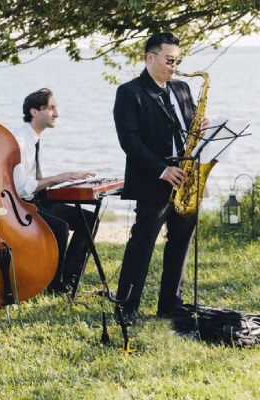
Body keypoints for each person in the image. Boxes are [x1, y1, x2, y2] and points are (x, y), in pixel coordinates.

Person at [113, 32, 209, 325]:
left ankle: (171, 304)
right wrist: (162, 170)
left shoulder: (182, 88)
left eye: (177, 61)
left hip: (185, 177)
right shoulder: (130, 92)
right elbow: (130, 141)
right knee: (141, 245)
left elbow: (186, 131)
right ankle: (126, 308)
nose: (175, 67)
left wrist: (200, 128)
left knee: (180, 243)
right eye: (169, 60)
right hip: (154, 179)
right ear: (150, 57)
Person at [12, 88, 96, 294]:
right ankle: (54, 284)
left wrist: (66, 180)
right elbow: (21, 187)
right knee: (61, 227)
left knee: (89, 219)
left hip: (39, 200)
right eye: (50, 108)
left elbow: (36, 180)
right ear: (34, 112)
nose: (56, 113)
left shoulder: (34, 138)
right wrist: (57, 178)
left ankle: (69, 278)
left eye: (55, 108)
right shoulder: (19, 141)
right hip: (22, 206)